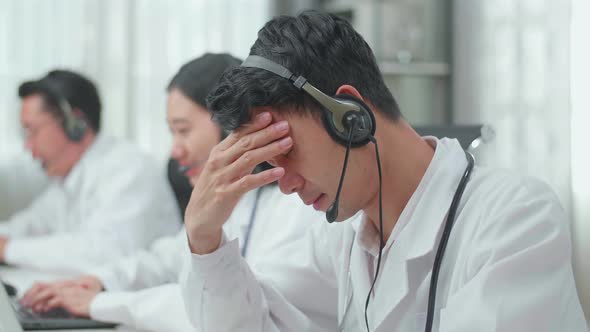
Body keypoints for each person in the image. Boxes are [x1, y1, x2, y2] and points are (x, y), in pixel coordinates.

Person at [179, 11, 588, 332]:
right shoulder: (340, 240)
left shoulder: (514, 217)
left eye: (289, 151)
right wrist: (203, 237)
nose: (284, 184)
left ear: (349, 116)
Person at [20, 54, 337, 332]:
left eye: (183, 130)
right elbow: (167, 259)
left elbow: (219, 312)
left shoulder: (294, 209)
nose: (176, 151)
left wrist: (101, 302)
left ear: (232, 127)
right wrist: (101, 282)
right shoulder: (238, 203)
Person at [0, 70, 180, 274]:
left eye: (32, 131)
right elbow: (29, 225)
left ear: (75, 124)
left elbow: (104, 253)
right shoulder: (68, 179)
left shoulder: (129, 168)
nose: (28, 146)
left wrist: (9, 249)